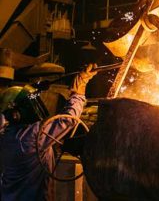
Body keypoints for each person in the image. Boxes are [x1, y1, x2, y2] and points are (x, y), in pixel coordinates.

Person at [0, 64, 97, 201]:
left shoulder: (6, 134)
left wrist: (36, 89)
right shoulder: (31, 136)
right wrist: (79, 89)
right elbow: (67, 120)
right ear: (17, 114)